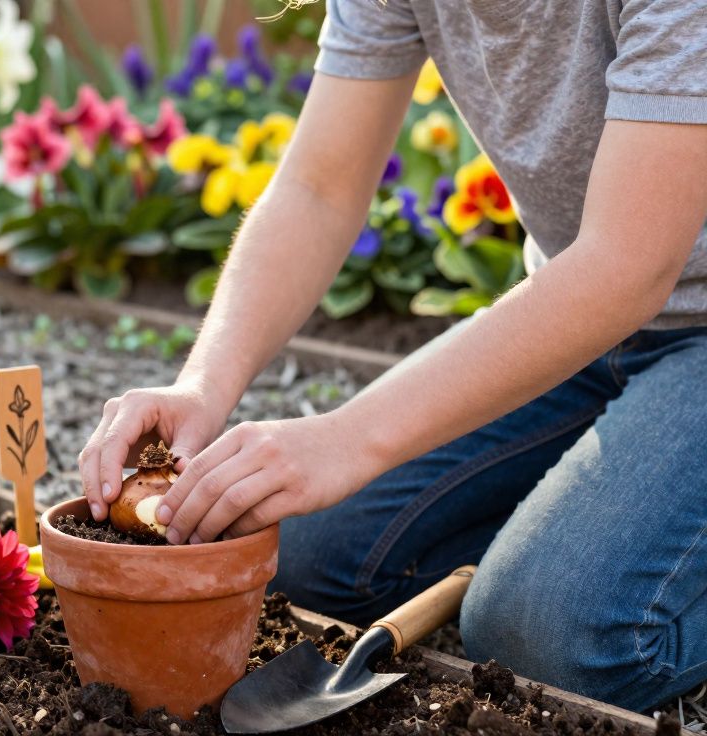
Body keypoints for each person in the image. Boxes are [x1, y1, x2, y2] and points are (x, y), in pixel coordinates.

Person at [78, 0, 707, 713]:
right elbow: (319, 188)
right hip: (580, 321)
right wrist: (201, 387)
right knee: (300, 552)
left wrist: (348, 438)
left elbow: (628, 267)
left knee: (550, 637)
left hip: (651, 305)